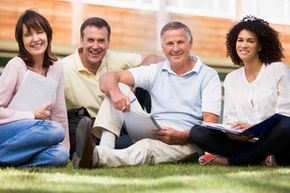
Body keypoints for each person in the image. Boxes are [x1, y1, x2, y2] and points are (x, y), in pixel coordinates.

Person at [72, 21, 222, 168]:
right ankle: (105, 148)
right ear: (163, 47)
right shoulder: (156, 70)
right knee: (119, 87)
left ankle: (96, 155)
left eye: (180, 42)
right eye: (170, 44)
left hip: (186, 141)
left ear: (190, 43)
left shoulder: (208, 76)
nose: (175, 48)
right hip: (155, 131)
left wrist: (182, 135)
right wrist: (116, 93)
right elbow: (107, 78)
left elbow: (209, 127)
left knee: (146, 147)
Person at [188, 15, 290, 166]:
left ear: (260, 46)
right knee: (197, 132)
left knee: (286, 125)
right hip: (245, 142)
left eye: (250, 41)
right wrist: (234, 133)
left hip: (277, 141)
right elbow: (230, 120)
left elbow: (285, 115)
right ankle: (261, 159)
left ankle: (232, 161)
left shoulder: (278, 70)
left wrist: (255, 129)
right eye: (240, 40)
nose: (244, 45)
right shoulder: (231, 79)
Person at [62, 17, 163, 158]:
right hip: (88, 126)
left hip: (121, 122)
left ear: (108, 43)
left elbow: (155, 60)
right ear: (81, 41)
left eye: (101, 41)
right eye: (90, 40)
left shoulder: (114, 58)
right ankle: (106, 148)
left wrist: (133, 77)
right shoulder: (64, 67)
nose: (96, 46)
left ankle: (102, 150)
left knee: (146, 81)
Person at [0, 9, 69, 167]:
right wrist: (32, 114)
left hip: (35, 135)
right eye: (28, 34)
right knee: (55, 130)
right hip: (7, 131)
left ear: (48, 35)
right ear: (21, 40)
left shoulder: (56, 66)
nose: (35, 39)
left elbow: (59, 110)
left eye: (39, 32)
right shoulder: (16, 65)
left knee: (60, 155)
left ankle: (8, 160)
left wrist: (65, 147)